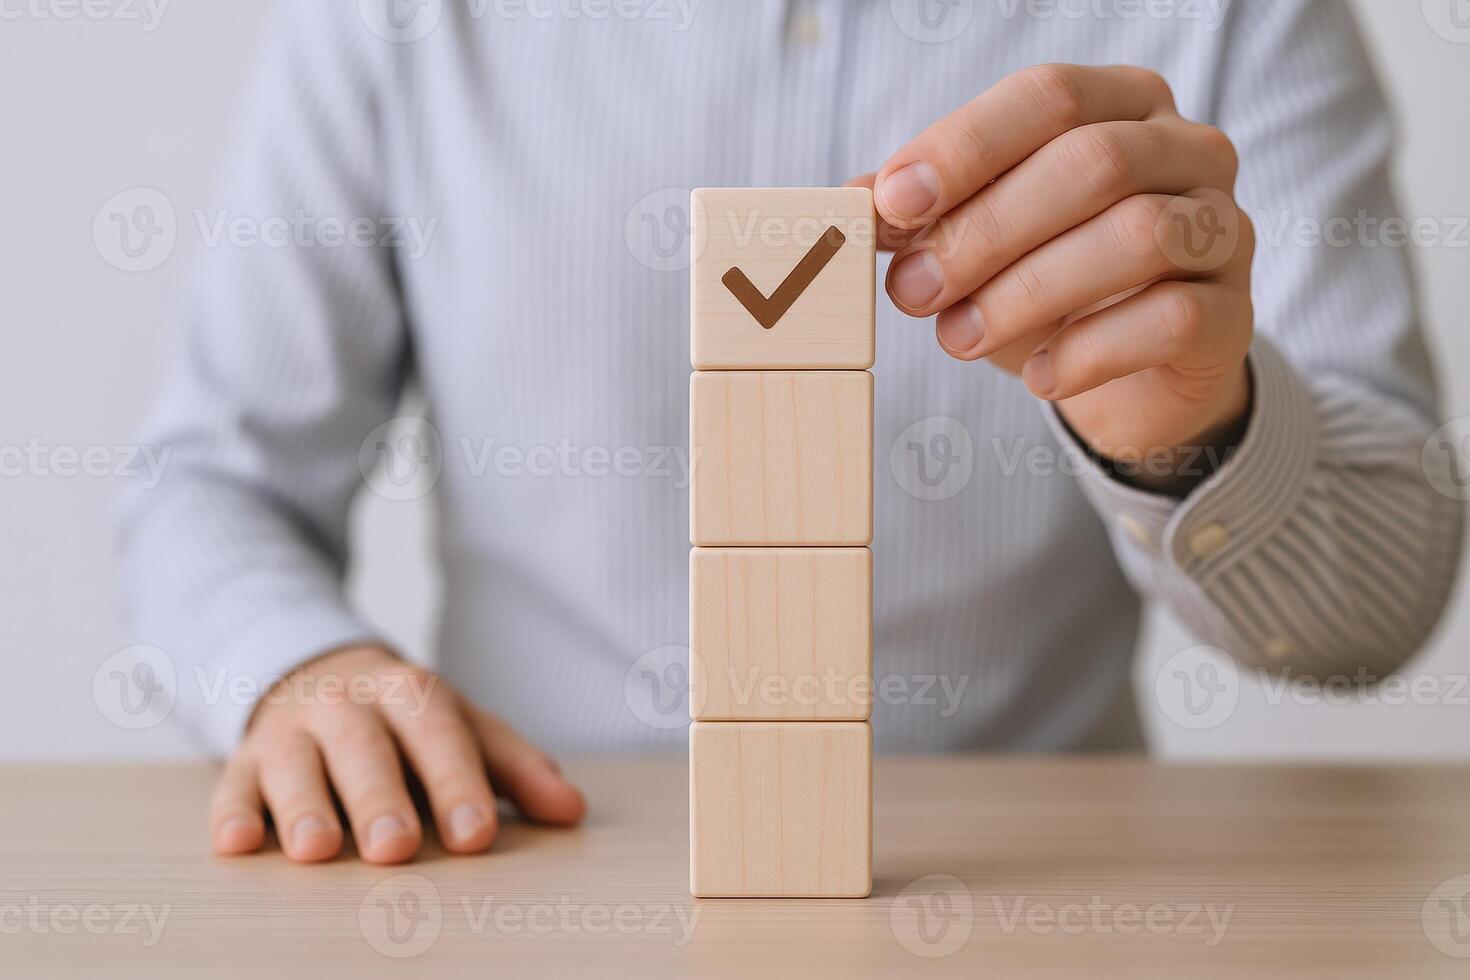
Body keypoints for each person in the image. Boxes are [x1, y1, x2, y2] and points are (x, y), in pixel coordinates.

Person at [119, 0, 1464, 865]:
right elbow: (211, 480)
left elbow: (1375, 608)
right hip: (522, 872)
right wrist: (298, 666)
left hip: (1034, 905)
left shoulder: (1236, 16)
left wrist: (1196, 441)